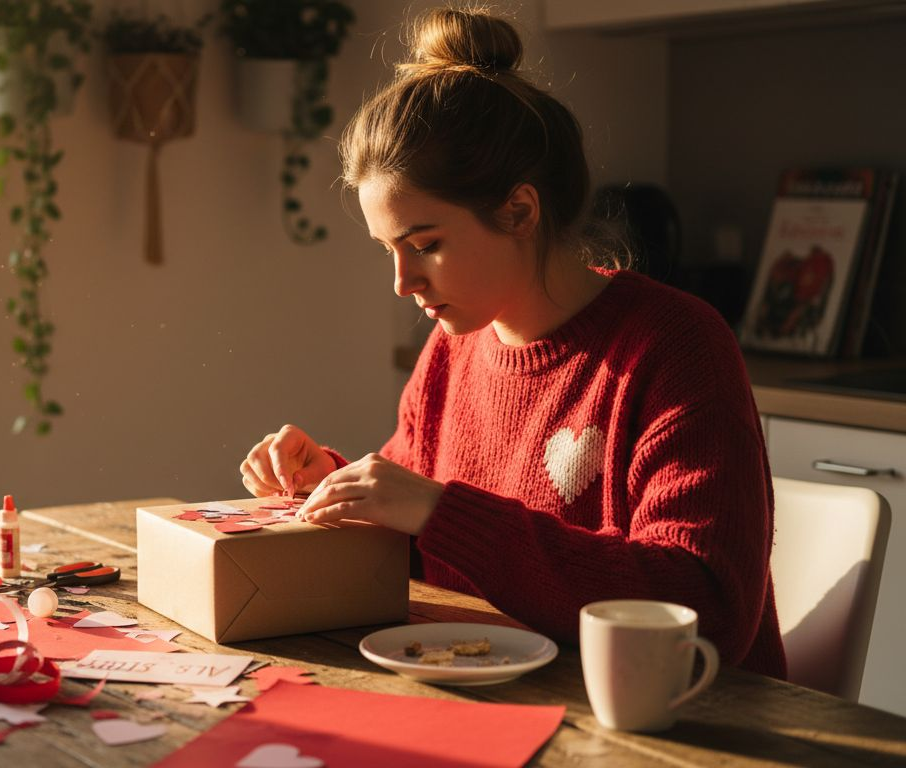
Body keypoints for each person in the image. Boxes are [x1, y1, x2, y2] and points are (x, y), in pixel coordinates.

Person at [239, 6, 786, 677]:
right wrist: (336, 488)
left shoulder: (676, 347)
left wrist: (441, 513)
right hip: (513, 697)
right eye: (388, 249)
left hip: (680, 722)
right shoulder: (452, 349)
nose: (401, 281)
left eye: (425, 245)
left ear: (519, 211)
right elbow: (425, 545)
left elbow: (705, 608)